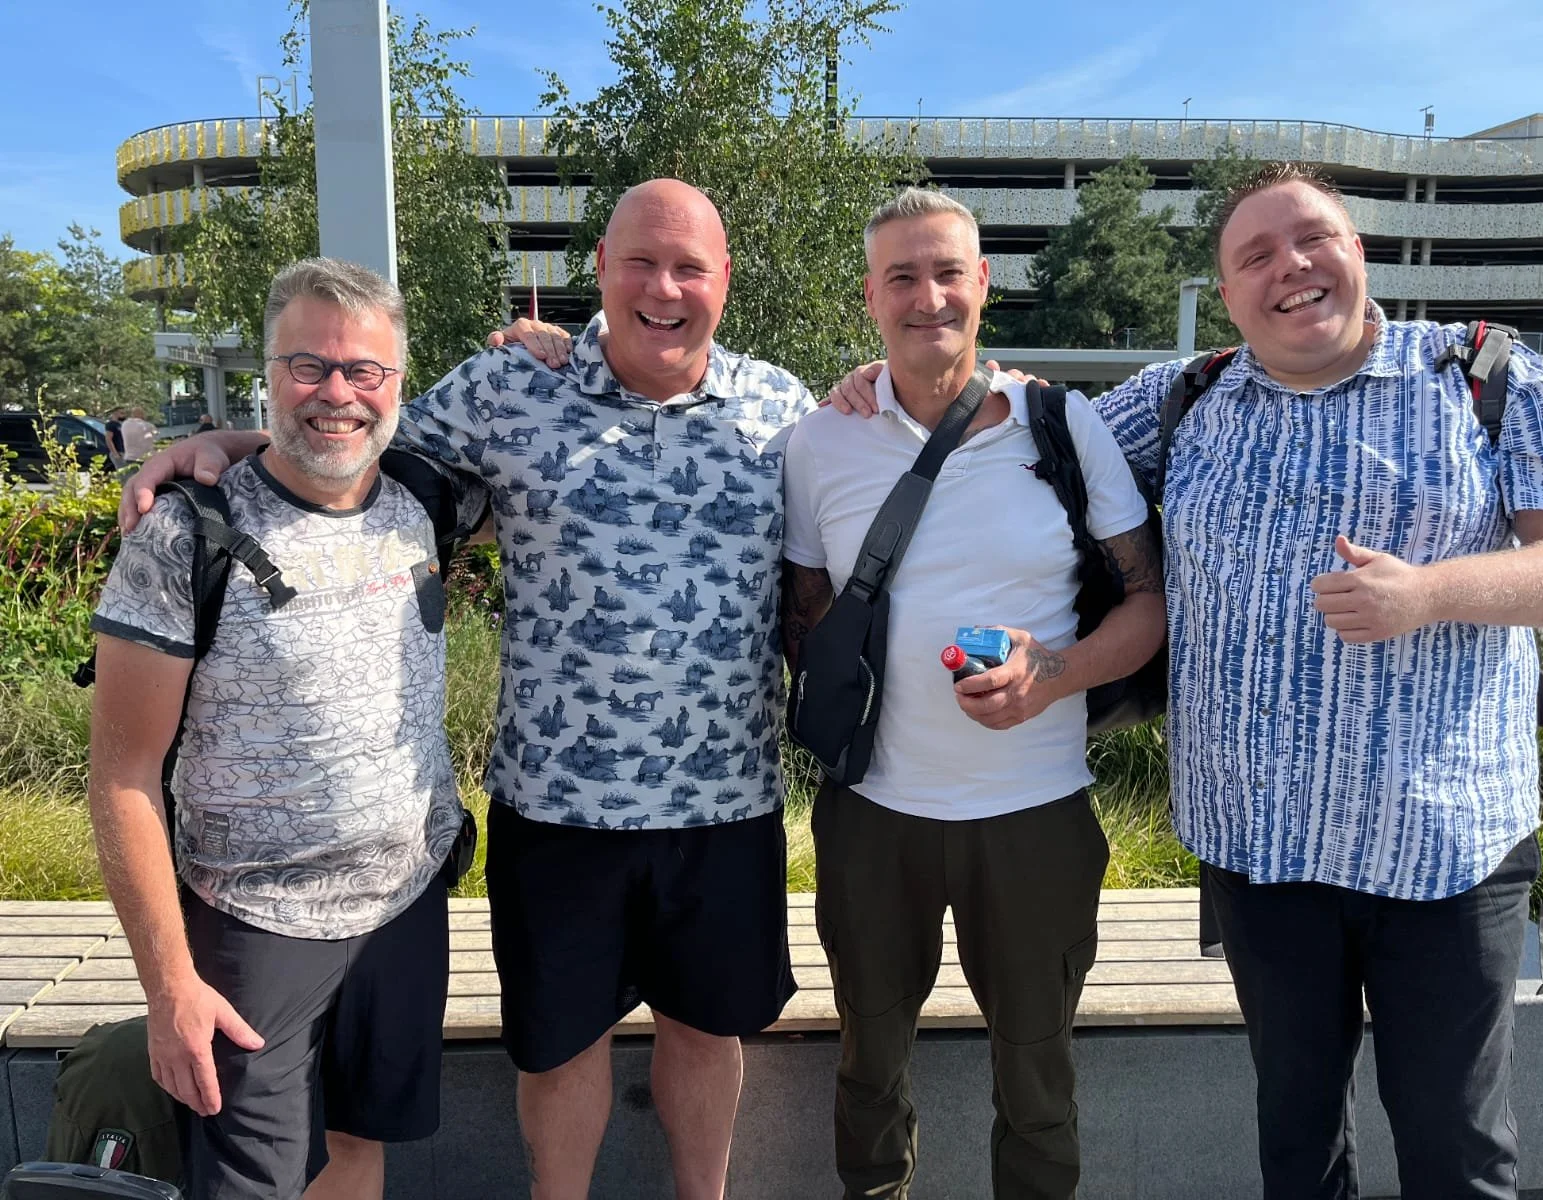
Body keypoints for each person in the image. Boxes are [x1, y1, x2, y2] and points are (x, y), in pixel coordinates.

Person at [830, 164, 1543, 1199]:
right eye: (1254, 256)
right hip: (1259, 852)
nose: (1289, 268)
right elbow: (1011, 430)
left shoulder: (1480, 374)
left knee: (1458, 1154)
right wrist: (879, 385)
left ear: (1356, 252)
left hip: (1443, 850)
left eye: (1311, 241)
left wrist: (1433, 593)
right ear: (1229, 292)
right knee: (1292, 1144)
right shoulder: (1180, 398)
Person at [119, 180, 809, 1200]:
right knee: (556, 1043)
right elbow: (342, 439)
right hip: (555, 803)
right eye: (640, 263)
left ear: (724, 280)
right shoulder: (506, 390)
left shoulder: (782, 407)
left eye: (689, 267)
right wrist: (217, 447)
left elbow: (882, 466)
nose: (664, 289)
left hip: (728, 802)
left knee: (707, 1031)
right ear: (602, 271)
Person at [780, 187, 1165, 1199]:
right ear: (870, 296)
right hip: (873, 814)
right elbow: (806, 609)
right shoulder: (820, 441)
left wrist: (1057, 674)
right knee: (867, 1062)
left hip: (1032, 815)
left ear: (983, 284)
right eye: (901, 277)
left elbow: (1146, 604)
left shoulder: (1060, 425)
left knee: (1036, 1075)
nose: (927, 297)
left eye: (948, 271)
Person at [90, 257, 485, 1200]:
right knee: (251, 1188)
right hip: (253, 930)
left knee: (357, 1149)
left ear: (398, 383)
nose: (337, 394)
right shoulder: (185, 536)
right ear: (267, 372)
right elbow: (122, 781)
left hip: (404, 906)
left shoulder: (428, 500)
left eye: (365, 372)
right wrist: (167, 986)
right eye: (307, 367)